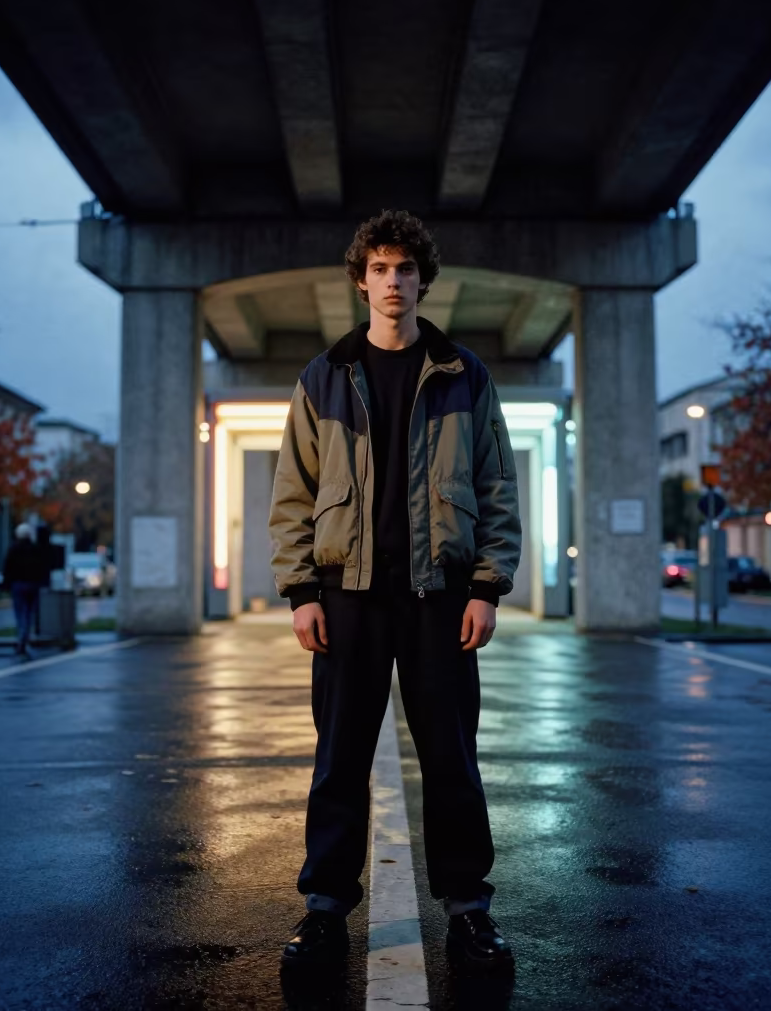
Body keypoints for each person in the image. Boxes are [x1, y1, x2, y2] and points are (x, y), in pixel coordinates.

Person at [269, 210, 522, 971]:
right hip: (346, 597)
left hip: (439, 595)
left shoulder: (463, 375)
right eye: (378, 268)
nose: (392, 281)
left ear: (422, 280)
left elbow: (497, 485)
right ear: (361, 280)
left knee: (451, 757)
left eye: (404, 268)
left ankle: (468, 909)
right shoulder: (324, 376)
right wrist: (301, 591)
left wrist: (487, 586)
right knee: (339, 758)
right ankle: (324, 910)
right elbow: (292, 492)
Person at [1, 523, 44, 656]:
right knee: (29, 613)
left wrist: (5, 584)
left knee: (20, 613)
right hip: (33, 584)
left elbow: (7, 568)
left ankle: (22, 637)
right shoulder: (35, 549)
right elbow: (42, 567)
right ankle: (25, 636)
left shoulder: (14, 549)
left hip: (18, 584)